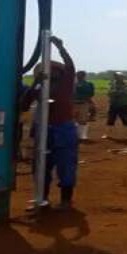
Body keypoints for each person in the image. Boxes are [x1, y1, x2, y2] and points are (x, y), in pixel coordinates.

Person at [22, 36, 78, 210]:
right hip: (43, 130)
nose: (50, 72)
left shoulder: (65, 86)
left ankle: (66, 201)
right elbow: (23, 104)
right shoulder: (38, 89)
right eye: (45, 70)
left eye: (53, 70)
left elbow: (70, 67)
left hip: (63, 130)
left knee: (66, 165)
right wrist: (35, 84)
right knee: (40, 166)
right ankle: (42, 198)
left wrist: (61, 48)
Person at [103, 72, 127, 140]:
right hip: (113, 104)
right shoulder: (111, 84)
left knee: (126, 120)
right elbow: (109, 93)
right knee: (110, 119)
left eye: (119, 76)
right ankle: (107, 134)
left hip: (123, 104)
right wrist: (119, 92)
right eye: (116, 76)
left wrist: (116, 93)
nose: (117, 78)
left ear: (122, 77)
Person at [73, 71, 95, 141]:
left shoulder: (74, 84)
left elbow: (91, 94)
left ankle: (81, 135)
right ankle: (80, 135)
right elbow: (91, 94)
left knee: (81, 120)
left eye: (81, 75)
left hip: (80, 103)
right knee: (79, 120)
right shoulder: (88, 84)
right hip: (79, 103)